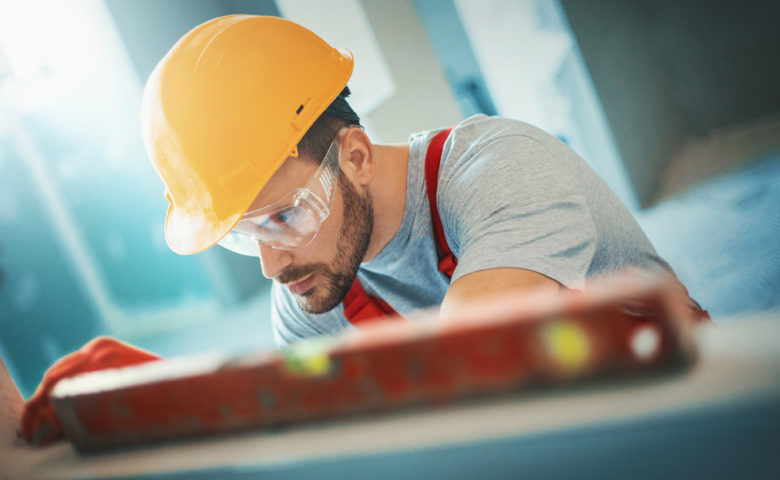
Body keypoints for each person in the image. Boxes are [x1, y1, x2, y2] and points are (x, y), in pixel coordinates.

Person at [142, 14, 704, 348]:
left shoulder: (503, 168)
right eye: (244, 235)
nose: (271, 265)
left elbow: (474, 360)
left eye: (286, 217)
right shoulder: (310, 294)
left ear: (356, 157)